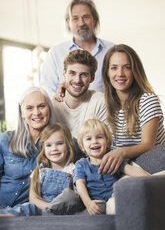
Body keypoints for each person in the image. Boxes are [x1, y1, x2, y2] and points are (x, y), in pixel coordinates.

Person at [100, 44, 165, 175]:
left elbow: (148, 144)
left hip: (152, 161)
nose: (120, 74)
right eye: (114, 68)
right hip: (125, 165)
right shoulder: (106, 105)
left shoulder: (147, 100)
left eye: (127, 68)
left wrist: (121, 152)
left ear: (135, 71)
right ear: (107, 73)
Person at [40, 0, 114, 99]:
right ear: (68, 22)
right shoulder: (56, 52)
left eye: (86, 17)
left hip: (104, 113)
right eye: (75, 18)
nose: (81, 23)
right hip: (65, 113)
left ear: (95, 19)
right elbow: (47, 89)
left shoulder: (111, 51)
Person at [74, 119, 149, 215]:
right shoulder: (81, 164)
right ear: (82, 146)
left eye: (99, 137)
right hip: (92, 202)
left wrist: (151, 180)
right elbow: (80, 185)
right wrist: (88, 203)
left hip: (113, 200)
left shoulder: (113, 159)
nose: (95, 142)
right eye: (89, 139)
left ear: (108, 142)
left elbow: (132, 170)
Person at [0, 86, 54, 215]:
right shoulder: (5, 140)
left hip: (27, 214)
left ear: (49, 109)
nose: (36, 113)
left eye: (41, 106)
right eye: (29, 108)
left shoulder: (59, 144)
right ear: (22, 113)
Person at [52, 49, 109, 140]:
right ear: (64, 74)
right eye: (72, 73)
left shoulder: (100, 102)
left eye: (84, 75)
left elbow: (104, 142)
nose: (77, 80)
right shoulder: (52, 105)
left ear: (92, 78)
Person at [29, 123, 77, 213]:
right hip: (42, 209)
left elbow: (75, 199)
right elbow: (33, 199)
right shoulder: (40, 171)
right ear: (43, 148)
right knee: (25, 207)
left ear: (68, 145)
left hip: (64, 211)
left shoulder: (73, 170)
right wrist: (50, 208)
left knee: (69, 195)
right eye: (49, 145)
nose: (54, 148)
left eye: (59, 143)